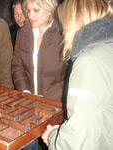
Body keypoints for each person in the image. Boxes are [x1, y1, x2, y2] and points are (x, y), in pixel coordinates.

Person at [42, 0, 113, 150]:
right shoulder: (107, 49)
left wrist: (52, 136)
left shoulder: (90, 61)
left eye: (65, 22)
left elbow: (78, 140)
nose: (63, 31)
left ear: (78, 18)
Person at [11, 0, 68, 149]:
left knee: (55, 144)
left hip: (56, 107)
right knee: (28, 145)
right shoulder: (23, 32)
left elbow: (71, 74)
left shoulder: (65, 33)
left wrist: (47, 98)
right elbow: (17, 67)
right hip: (29, 106)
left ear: (49, 10)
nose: (30, 16)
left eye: (36, 11)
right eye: (28, 11)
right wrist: (25, 92)